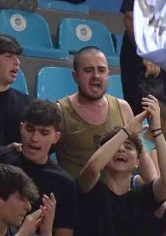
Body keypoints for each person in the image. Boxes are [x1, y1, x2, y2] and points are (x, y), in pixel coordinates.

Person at [70, 101, 166, 236]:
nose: (121, 149)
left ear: (137, 162)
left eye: (128, 147)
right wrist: (127, 130)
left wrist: (157, 130)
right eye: (116, 146)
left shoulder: (142, 197)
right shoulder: (90, 189)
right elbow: (93, 167)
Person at [0, 99, 79, 236]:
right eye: (30, 129)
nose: (34, 138)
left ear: (56, 137)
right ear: (21, 128)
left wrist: (45, 232)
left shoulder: (64, 183)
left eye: (44, 133)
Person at [51, 47, 134, 179]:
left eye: (101, 70)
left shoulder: (123, 108)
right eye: (88, 70)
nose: (96, 76)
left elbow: (141, 156)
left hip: (118, 191)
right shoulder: (60, 111)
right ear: (75, 76)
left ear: (108, 74)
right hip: (76, 191)